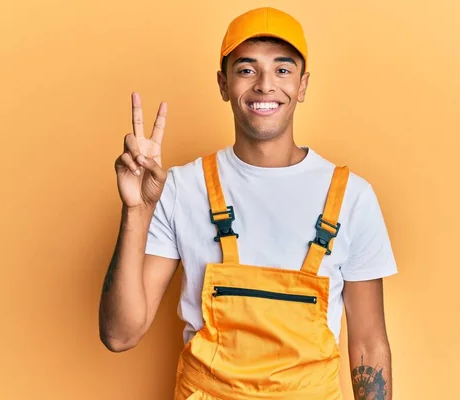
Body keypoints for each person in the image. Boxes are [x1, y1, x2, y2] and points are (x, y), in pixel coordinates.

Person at [98, 6, 398, 400]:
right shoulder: (180, 188)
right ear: (223, 84)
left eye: (282, 69)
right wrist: (136, 210)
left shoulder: (352, 197)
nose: (265, 85)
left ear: (303, 86)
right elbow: (120, 334)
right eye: (246, 69)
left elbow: (369, 343)